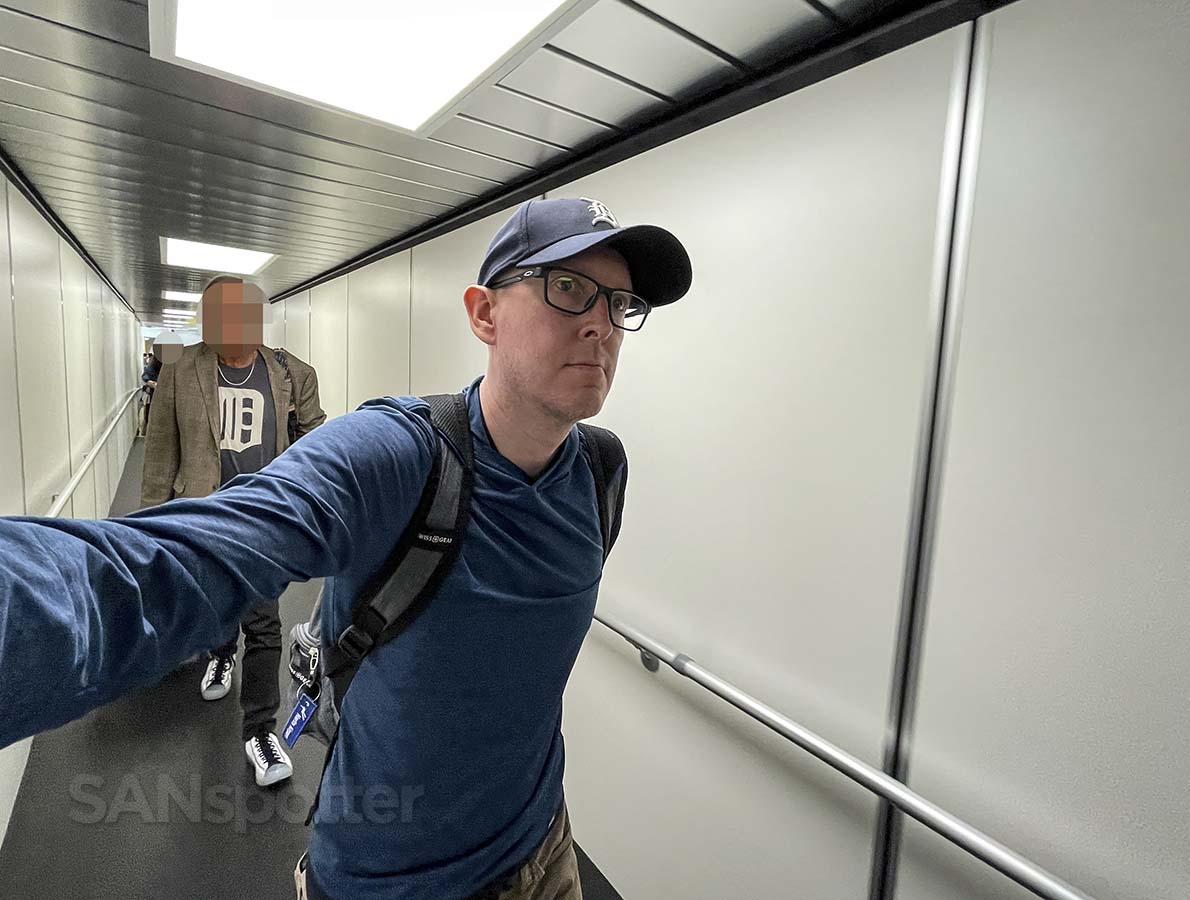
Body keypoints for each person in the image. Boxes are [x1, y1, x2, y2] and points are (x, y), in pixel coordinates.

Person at [0, 197, 691, 899]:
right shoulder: (397, 456)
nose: (601, 325)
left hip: (544, 849)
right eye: (567, 289)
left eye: (620, 303)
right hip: (389, 880)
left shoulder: (601, 473)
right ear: (484, 313)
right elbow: (164, 569)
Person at [142, 274, 326, 787]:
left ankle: (260, 729)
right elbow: (159, 452)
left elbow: (318, 442)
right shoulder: (182, 370)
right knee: (221, 604)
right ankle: (222, 654)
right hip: (205, 515)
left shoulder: (293, 373)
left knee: (264, 621)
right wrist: (149, 533)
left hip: (264, 519)